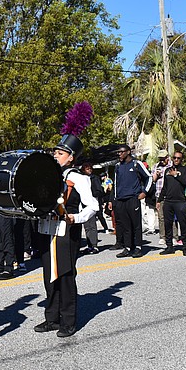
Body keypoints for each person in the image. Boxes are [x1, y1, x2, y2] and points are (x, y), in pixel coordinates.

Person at [34, 130, 98, 338]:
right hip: (46, 228)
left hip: (66, 230)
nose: (55, 155)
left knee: (65, 276)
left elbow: (92, 206)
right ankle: (52, 318)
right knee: (48, 276)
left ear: (71, 157)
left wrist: (75, 218)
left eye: (60, 153)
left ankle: (68, 321)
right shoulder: (48, 174)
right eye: (55, 152)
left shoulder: (78, 178)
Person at [113, 144, 151, 258]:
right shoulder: (118, 166)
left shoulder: (136, 164)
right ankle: (128, 247)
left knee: (136, 224)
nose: (119, 154)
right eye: (118, 152)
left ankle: (138, 247)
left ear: (128, 152)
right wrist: (115, 198)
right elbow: (116, 183)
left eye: (121, 152)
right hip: (121, 200)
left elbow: (148, 177)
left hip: (133, 198)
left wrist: (144, 192)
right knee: (125, 225)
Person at [158, 151, 186, 256]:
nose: (176, 160)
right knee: (168, 224)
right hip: (168, 201)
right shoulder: (168, 170)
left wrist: (176, 175)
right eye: (175, 158)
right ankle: (169, 247)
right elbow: (165, 186)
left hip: (180, 201)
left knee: (183, 224)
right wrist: (159, 200)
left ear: (182, 159)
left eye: (178, 158)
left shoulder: (185, 170)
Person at [79, 162, 102, 254]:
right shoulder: (81, 179)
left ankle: (94, 246)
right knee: (86, 226)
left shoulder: (94, 178)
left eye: (90, 169)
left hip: (91, 203)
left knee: (92, 226)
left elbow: (99, 190)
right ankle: (89, 246)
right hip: (83, 204)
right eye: (87, 169)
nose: (89, 171)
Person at [152, 150, 171, 241]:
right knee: (161, 217)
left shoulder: (172, 166)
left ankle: (173, 237)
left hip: (170, 194)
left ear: (167, 157)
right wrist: (157, 174)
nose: (162, 161)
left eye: (163, 159)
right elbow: (153, 180)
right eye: (160, 159)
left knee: (172, 217)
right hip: (159, 194)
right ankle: (162, 237)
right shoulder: (156, 166)